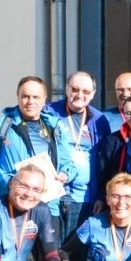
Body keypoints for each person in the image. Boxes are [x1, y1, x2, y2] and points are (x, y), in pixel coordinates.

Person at [0, 75, 76, 208]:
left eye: (36, 97)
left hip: (48, 205)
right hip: (14, 204)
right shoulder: (2, 125)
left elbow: (69, 164)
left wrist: (65, 174)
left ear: (44, 99)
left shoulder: (54, 126)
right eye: (25, 96)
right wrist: (10, 181)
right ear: (18, 97)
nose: (30, 101)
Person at [46, 70, 101, 233]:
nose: (79, 95)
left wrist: (100, 196)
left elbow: (103, 161)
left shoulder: (99, 120)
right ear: (66, 89)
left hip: (84, 198)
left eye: (86, 92)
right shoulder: (48, 112)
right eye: (75, 89)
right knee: (53, 253)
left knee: (77, 252)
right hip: (53, 196)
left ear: (93, 94)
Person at [92, 98, 131, 218]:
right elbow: (104, 172)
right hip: (123, 200)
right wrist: (100, 197)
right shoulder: (114, 140)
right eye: (128, 113)